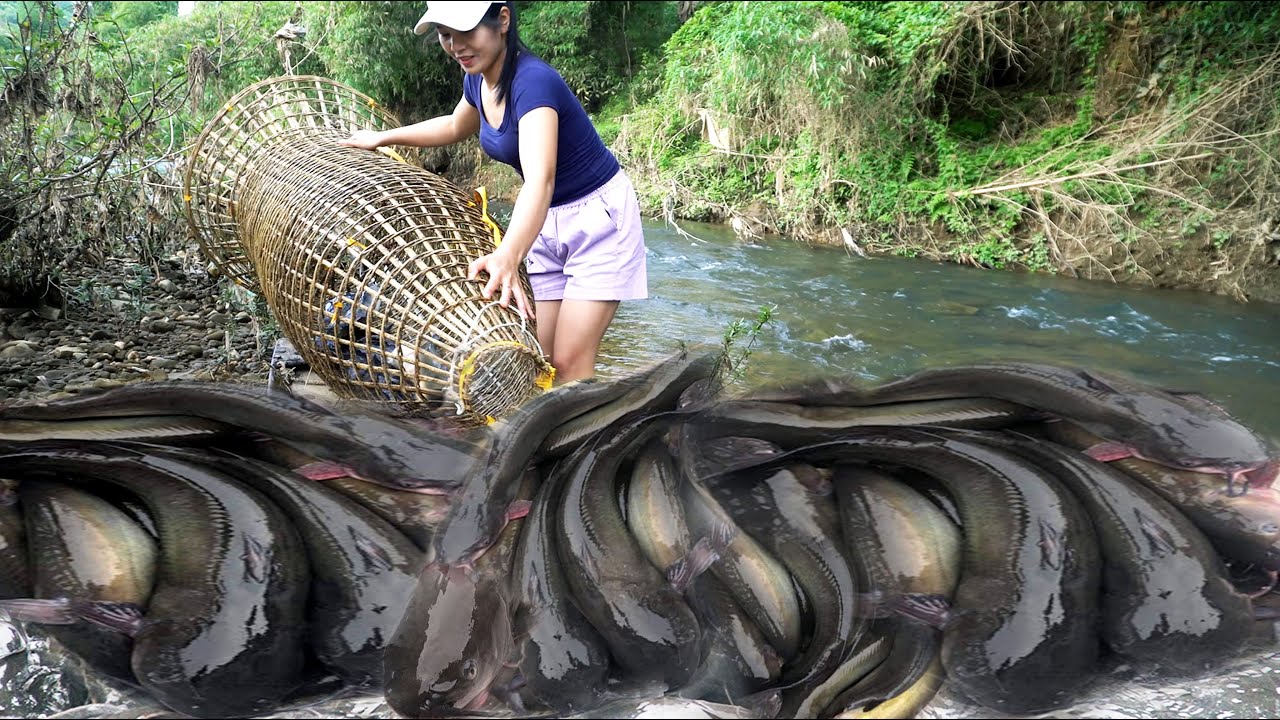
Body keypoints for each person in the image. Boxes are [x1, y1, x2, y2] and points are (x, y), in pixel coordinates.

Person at [340, 0, 647, 383]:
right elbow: (454, 126)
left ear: (503, 20)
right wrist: (383, 137)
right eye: (445, 35)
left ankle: (582, 441)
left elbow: (541, 179)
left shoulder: (533, 83)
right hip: (543, 220)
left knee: (570, 362)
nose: (456, 47)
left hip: (596, 221)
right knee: (541, 358)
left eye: (465, 32)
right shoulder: (478, 77)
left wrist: (507, 255)